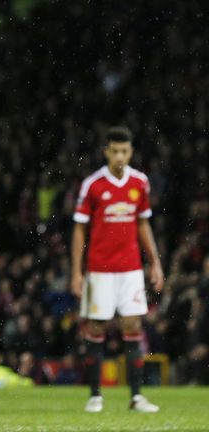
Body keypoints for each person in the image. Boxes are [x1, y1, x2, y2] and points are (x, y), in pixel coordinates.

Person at [70, 125, 164, 413]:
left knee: (133, 325)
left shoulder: (140, 183)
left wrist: (155, 262)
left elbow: (143, 223)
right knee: (96, 328)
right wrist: (77, 272)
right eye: (115, 151)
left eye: (125, 151)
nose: (120, 156)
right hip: (99, 270)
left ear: (131, 152)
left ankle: (136, 397)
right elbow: (79, 230)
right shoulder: (93, 185)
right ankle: (95, 395)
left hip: (131, 269)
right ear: (106, 152)